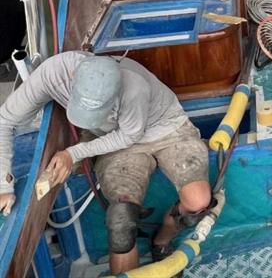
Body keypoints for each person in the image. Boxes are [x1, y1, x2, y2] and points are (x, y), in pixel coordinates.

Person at [0, 51, 212, 275]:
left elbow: (128, 136)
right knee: (121, 220)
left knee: (198, 201)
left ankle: (161, 241)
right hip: (111, 138)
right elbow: (4, 120)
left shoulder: (134, 86)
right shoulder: (51, 74)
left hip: (166, 128)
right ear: (73, 76)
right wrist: (4, 184)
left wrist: (74, 153)